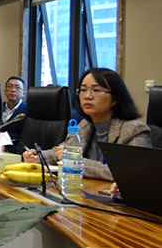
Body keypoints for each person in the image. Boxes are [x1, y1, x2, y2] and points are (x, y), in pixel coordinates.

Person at [23, 68, 151, 182]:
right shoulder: (85, 125)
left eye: (96, 90)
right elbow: (61, 151)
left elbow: (130, 173)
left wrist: (76, 162)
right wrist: (39, 157)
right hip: (83, 190)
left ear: (115, 98)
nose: (88, 96)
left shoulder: (134, 130)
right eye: (83, 90)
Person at [1, 76, 27, 152]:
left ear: (23, 93)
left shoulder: (28, 111)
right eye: (10, 86)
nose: (13, 90)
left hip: (17, 152)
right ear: (5, 91)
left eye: (18, 88)